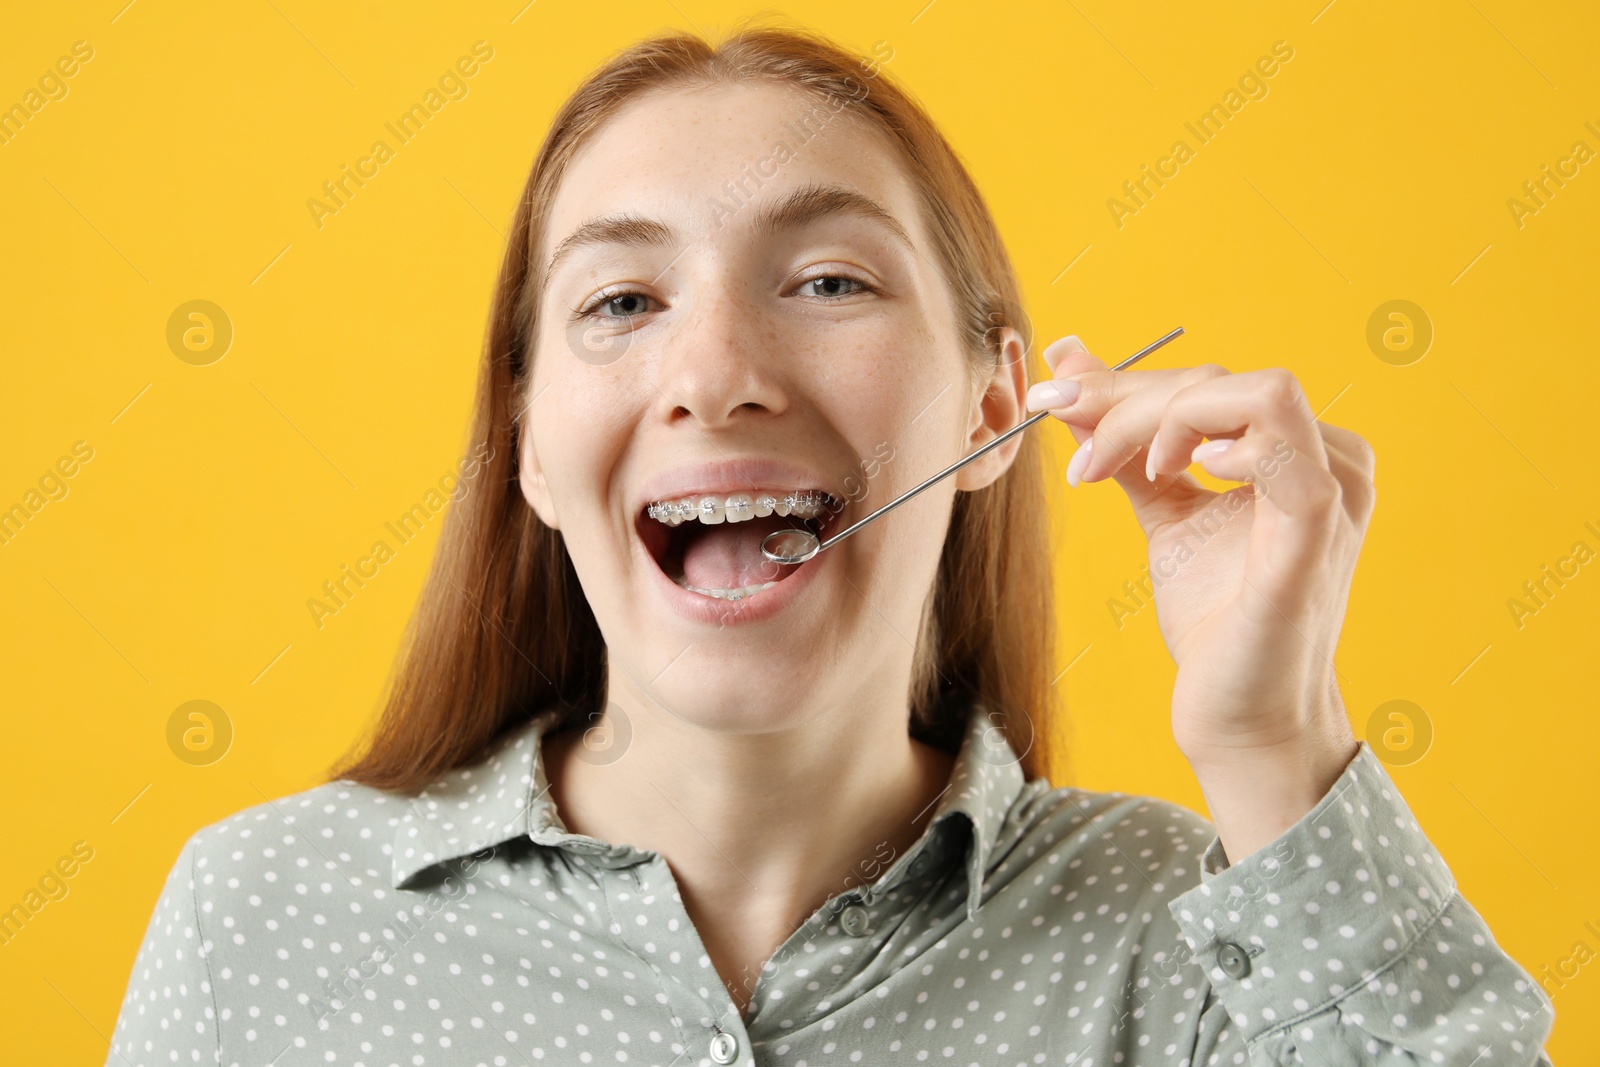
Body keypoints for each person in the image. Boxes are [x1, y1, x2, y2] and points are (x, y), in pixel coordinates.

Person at [107, 23, 1556, 1066]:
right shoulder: (263, 925)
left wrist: (1274, 743)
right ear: (534, 441)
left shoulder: (1193, 940)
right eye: (621, 302)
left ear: (997, 402)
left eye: (826, 278)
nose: (718, 370)